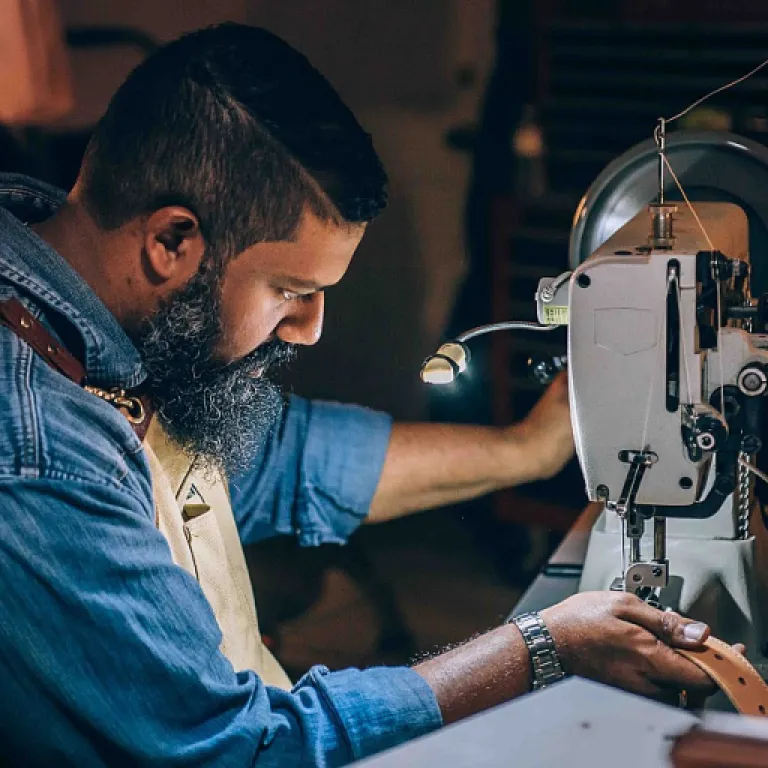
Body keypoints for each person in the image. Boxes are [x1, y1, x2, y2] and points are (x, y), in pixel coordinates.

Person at [0, 23, 716, 767]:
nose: (308, 329)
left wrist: (527, 448)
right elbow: (245, 751)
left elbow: (289, 458)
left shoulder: (79, 300)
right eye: (291, 290)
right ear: (172, 241)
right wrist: (540, 645)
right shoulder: (41, 451)